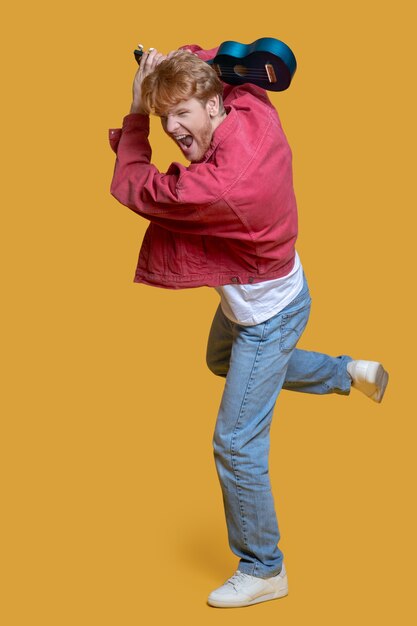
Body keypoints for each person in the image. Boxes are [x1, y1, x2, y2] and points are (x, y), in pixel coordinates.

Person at [109, 44, 389, 608]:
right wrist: (175, 66)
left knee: (235, 444)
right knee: (219, 360)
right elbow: (216, 61)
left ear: (212, 106)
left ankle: (265, 567)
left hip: (267, 316)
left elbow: (137, 188)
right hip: (271, 290)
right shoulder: (251, 107)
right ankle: (345, 373)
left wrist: (137, 112)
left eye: (181, 114)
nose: (171, 128)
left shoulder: (221, 186)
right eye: (165, 118)